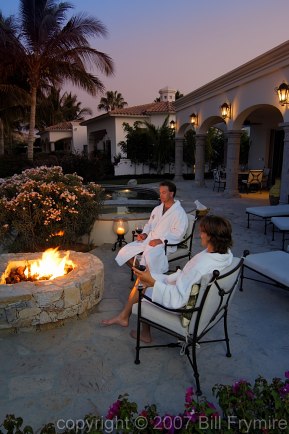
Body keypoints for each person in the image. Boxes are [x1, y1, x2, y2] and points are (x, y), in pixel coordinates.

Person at [102, 215, 233, 343]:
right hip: (184, 289)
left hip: (179, 303)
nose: (200, 235)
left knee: (142, 284)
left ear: (211, 236)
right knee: (144, 278)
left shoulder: (202, 266)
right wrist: (163, 279)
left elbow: (178, 299)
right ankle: (125, 316)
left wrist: (153, 282)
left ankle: (138, 329)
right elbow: (187, 282)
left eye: (203, 232)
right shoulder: (225, 255)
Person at [115, 180, 188, 274]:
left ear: (171, 194)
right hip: (149, 240)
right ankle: (142, 273)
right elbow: (149, 224)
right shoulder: (157, 209)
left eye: (164, 192)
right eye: (160, 192)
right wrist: (144, 234)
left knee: (150, 257)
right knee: (124, 251)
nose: (161, 195)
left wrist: (160, 240)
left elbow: (178, 233)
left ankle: (145, 274)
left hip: (164, 244)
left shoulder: (179, 213)